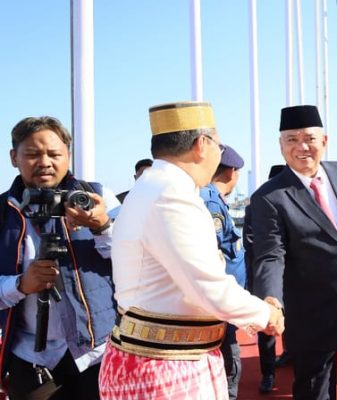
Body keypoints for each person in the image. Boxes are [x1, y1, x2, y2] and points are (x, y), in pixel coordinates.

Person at [98, 101, 283, 399]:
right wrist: (267, 314)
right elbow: (208, 288)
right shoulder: (172, 195)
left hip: (162, 358)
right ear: (202, 144)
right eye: (219, 147)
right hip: (165, 369)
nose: (218, 155)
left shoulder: (152, 186)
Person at [251, 105, 337, 399]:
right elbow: (270, 254)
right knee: (315, 392)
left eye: (309, 138)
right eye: (291, 140)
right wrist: (271, 298)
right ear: (280, 146)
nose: (302, 147)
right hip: (312, 316)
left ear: (324, 141)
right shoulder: (269, 197)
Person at [0, 116, 120, 399]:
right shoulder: (3, 211)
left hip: (98, 354)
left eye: (54, 154)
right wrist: (20, 285)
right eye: (32, 154)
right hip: (30, 358)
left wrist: (102, 226)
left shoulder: (102, 199)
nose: (44, 162)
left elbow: (138, 264)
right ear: (13, 157)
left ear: (68, 156)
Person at [199, 144, 246, 400]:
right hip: (219, 306)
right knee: (228, 369)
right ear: (231, 173)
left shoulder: (213, 200)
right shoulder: (210, 202)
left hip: (224, 303)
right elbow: (212, 253)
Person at [245, 164, 289, 395]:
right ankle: (268, 373)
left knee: (296, 321)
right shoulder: (257, 204)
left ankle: (291, 354)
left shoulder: (298, 202)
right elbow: (252, 243)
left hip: (294, 279)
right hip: (267, 279)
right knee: (267, 327)